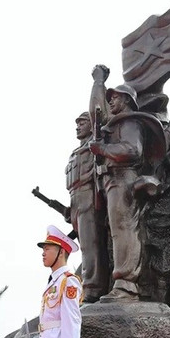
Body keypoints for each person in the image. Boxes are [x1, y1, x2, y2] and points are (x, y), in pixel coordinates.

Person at [88, 65, 165, 301]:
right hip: (112, 180)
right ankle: (121, 282)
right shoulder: (116, 123)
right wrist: (98, 83)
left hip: (125, 178)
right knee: (117, 232)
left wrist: (103, 148)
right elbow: (96, 112)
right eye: (110, 98)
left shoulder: (130, 123)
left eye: (115, 98)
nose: (111, 102)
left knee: (124, 231)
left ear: (127, 101)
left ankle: (127, 285)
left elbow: (132, 151)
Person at [66, 111, 109, 302]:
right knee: (85, 245)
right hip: (76, 199)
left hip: (90, 196)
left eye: (82, 122)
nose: (77, 126)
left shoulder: (94, 146)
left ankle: (92, 288)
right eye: (77, 123)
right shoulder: (76, 152)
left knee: (91, 245)